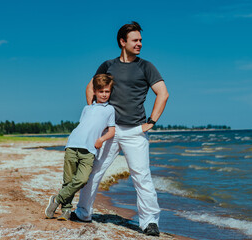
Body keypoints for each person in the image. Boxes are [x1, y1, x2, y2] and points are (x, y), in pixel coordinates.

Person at [74, 21, 169, 237]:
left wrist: (151, 122)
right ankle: (83, 212)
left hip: (135, 131)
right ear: (122, 42)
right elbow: (90, 87)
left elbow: (163, 93)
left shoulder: (146, 67)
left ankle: (149, 223)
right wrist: (94, 114)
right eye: (135, 40)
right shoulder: (107, 65)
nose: (139, 44)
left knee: (141, 176)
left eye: (141, 40)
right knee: (95, 171)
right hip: (110, 130)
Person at [45, 74, 116, 221]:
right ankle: (66, 211)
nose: (104, 94)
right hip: (73, 145)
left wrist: (101, 139)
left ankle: (56, 199)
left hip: (90, 150)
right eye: (101, 91)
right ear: (95, 91)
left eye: (107, 91)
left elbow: (112, 131)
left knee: (82, 179)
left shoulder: (110, 110)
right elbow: (83, 126)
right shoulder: (87, 108)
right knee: (68, 180)